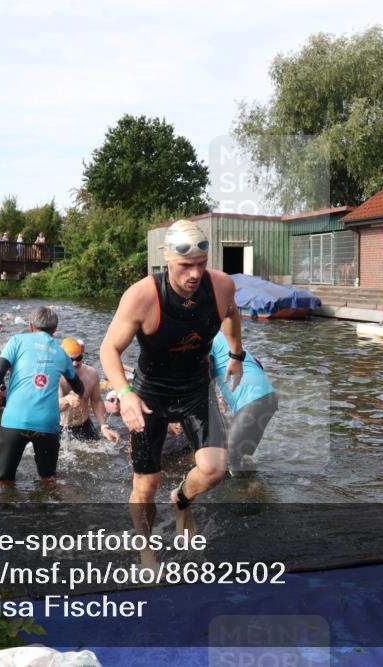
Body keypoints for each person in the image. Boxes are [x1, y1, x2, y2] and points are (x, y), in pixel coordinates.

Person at [100, 219, 244, 562]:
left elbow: (232, 314)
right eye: (185, 266)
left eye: (200, 264)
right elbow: (108, 349)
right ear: (167, 260)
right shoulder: (142, 296)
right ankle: (145, 548)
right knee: (146, 485)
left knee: (214, 469)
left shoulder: (221, 285)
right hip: (150, 396)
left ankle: (181, 499)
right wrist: (125, 391)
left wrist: (236, 354)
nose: (194, 274)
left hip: (195, 389)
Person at [0, 306, 84, 485]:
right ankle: (47, 510)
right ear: (54, 329)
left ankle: (5, 509)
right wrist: (78, 393)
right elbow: (78, 386)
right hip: (47, 424)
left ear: (30, 326)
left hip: (15, 419)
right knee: (48, 480)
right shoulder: (62, 354)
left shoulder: (17, 341)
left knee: (4, 480)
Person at [209, 331, 278, 475]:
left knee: (229, 457)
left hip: (252, 401)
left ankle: (241, 492)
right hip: (269, 397)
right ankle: (253, 488)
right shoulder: (226, 339)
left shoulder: (205, 339)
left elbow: (205, 380)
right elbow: (257, 363)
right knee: (242, 456)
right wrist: (224, 395)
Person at [58, 338, 119, 443]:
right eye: (71, 360)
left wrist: (104, 426)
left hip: (84, 424)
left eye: (79, 358)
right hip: (59, 427)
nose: (75, 363)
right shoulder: (55, 376)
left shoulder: (91, 374)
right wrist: (67, 400)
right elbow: (51, 407)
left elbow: (96, 401)